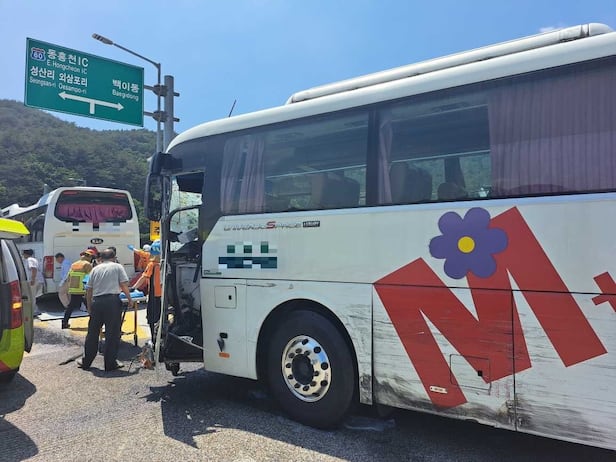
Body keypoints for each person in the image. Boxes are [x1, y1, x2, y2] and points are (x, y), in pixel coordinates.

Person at [77, 248, 132, 372]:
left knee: (93, 333)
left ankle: (86, 362)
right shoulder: (117, 267)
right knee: (112, 334)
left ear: (101, 258)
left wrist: (89, 306)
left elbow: (89, 289)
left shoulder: (95, 269)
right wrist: (129, 299)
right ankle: (110, 363)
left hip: (97, 302)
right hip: (112, 302)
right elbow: (123, 284)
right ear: (114, 257)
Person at [131, 240, 161, 345]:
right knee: (161, 318)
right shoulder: (164, 264)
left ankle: (154, 339)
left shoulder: (152, 265)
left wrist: (133, 288)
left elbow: (143, 277)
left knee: (152, 318)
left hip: (154, 295)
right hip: (163, 296)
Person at [62, 249, 95, 329]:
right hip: (83, 289)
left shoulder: (74, 264)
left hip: (73, 289)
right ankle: (94, 324)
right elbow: (90, 278)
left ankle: (64, 323)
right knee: (90, 307)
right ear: (90, 257)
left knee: (70, 306)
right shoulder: (87, 264)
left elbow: (68, 277)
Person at [22, 249, 44, 316]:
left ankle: (33, 311)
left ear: (26, 254)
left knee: (31, 296)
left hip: (35, 280)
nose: (23, 255)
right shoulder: (33, 259)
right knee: (32, 296)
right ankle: (36, 310)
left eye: (23, 254)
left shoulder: (30, 260)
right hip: (38, 280)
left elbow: (34, 269)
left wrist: (32, 279)